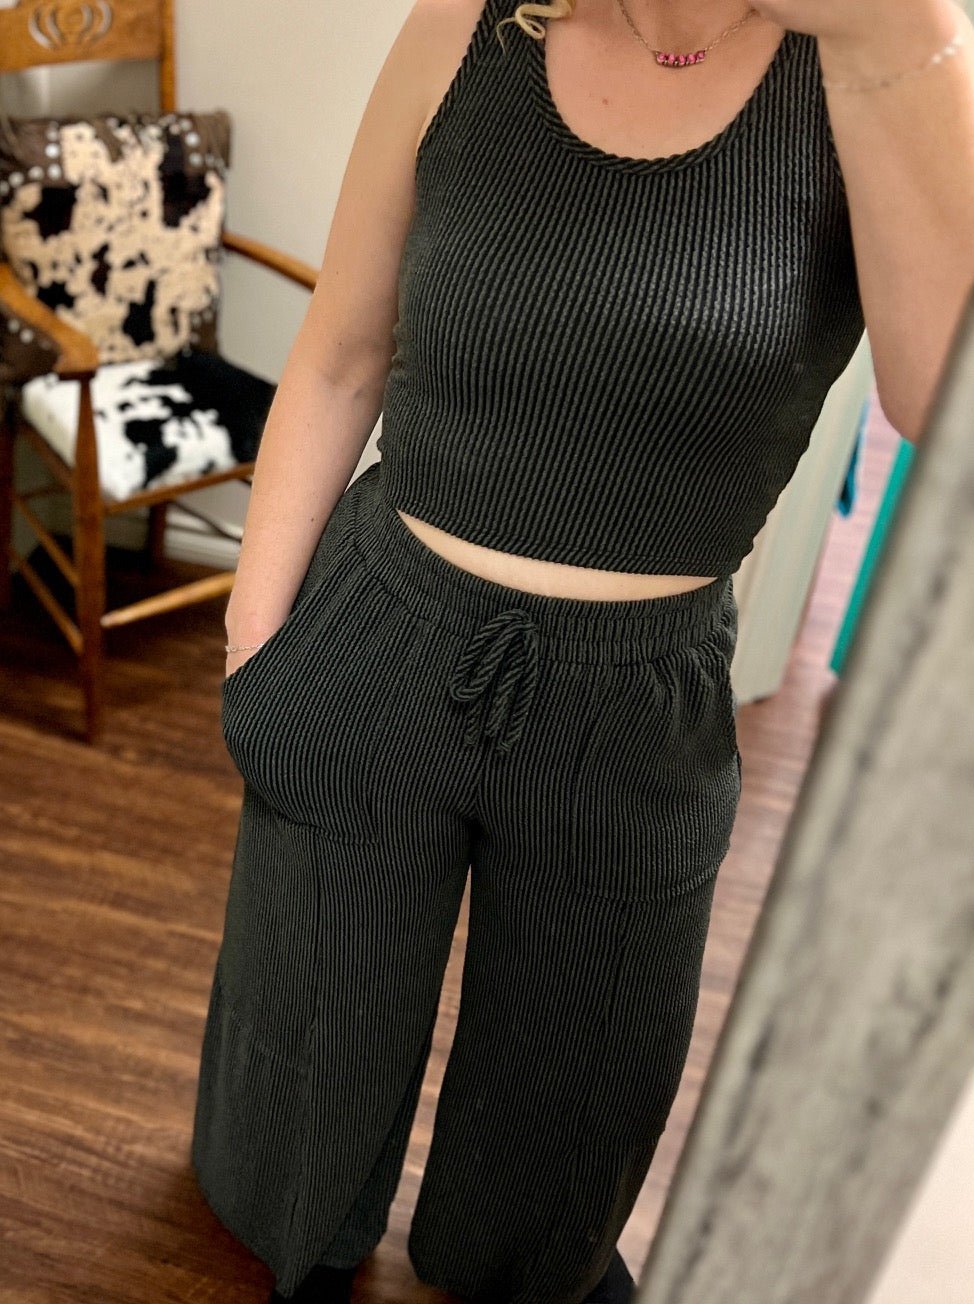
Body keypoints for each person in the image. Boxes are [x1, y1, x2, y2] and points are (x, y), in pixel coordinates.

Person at [190, 0, 872, 1299]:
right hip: (379, 630)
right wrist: (253, 637)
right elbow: (340, 355)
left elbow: (942, 396)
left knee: (579, 1093)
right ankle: (291, 1229)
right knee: (303, 1037)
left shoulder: (865, 74)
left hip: (639, 698)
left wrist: (916, 41)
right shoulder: (465, 26)